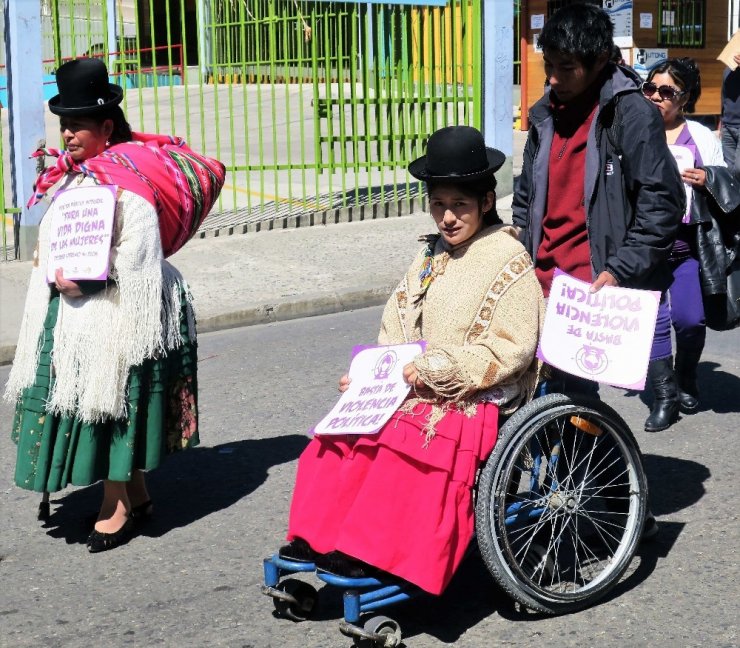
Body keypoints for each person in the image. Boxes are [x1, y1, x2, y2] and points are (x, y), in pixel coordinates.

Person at [278, 126, 545, 595]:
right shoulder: (429, 253)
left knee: (404, 437)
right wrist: (368, 376)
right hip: (412, 380)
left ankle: (371, 549)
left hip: (475, 393)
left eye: (459, 205)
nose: (447, 217)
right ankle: (320, 537)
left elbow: (512, 346)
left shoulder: (509, 258)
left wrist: (439, 370)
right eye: (438, 204)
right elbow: (397, 323)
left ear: (486, 201)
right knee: (341, 430)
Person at [4, 58, 224, 553]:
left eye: (77, 126)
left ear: (106, 126)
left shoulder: (130, 183)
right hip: (73, 311)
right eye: (64, 125)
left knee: (113, 404)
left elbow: (140, 262)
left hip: (119, 313)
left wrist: (90, 282)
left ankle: (117, 503)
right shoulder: (77, 176)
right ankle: (138, 493)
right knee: (86, 401)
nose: (68, 135)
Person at [511, 3, 684, 408]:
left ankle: (610, 471)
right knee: (529, 404)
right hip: (539, 286)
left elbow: (662, 204)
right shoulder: (545, 114)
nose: (553, 78)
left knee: (575, 409)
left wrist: (619, 268)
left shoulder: (631, 114)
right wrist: (516, 235)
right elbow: (526, 190)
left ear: (600, 60)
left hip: (590, 293)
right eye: (548, 65)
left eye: (566, 68)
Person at [641, 58, 736, 428]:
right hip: (645, 246)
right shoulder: (632, 131)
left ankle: (687, 375)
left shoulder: (699, 136)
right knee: (653, 320)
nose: (656, 97)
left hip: (686, 246)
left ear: (685, 98)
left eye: (668, 92)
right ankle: (664, 398)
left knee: (690, 320)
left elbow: (726, 182)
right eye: (651, 89)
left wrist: (706, 178)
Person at [720, 53, 740, 174]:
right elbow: (724, 97)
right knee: (728, 169)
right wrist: (721, 123)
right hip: (727, 126)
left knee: (738, 169)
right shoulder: (727, 71)